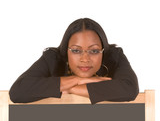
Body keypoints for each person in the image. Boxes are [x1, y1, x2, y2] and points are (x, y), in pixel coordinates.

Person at [9, 18, 139, 104]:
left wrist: (70, 89)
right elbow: (18, 91)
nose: (85, 59)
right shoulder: (52, 59)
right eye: (76, 50)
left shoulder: (114, 57)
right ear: (66, 50)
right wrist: (78, 80)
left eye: (93, 51)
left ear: (103, 51)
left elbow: (129, 89)